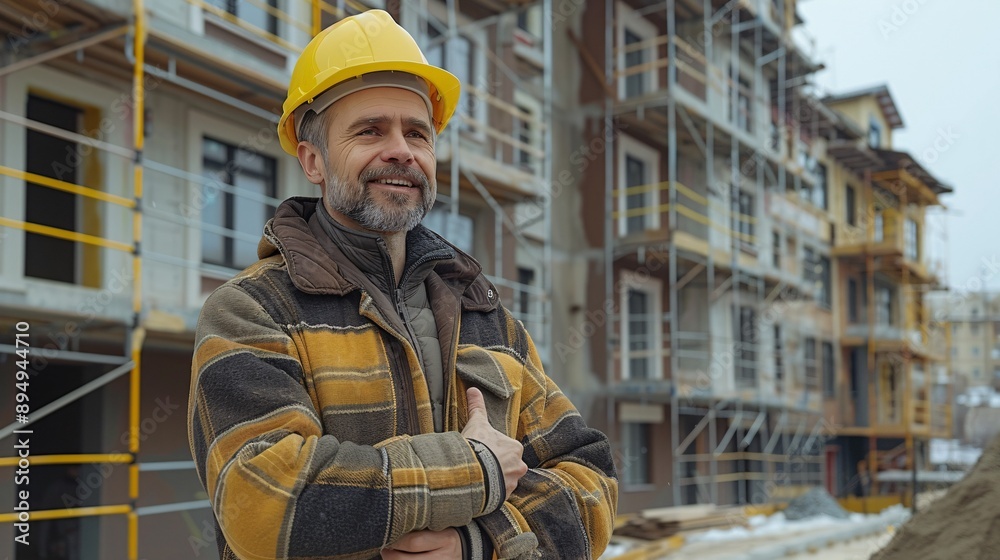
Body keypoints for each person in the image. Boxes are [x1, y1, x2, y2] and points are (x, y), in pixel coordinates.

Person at [187, 9, 618, 560]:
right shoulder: (252, 310)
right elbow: (265, 503)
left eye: (418, 133)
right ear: (313, 159)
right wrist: (476, 468)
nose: (401, 150)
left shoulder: (484, 316)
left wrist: (481, 544)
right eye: (370, 130)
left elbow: (591, 479)